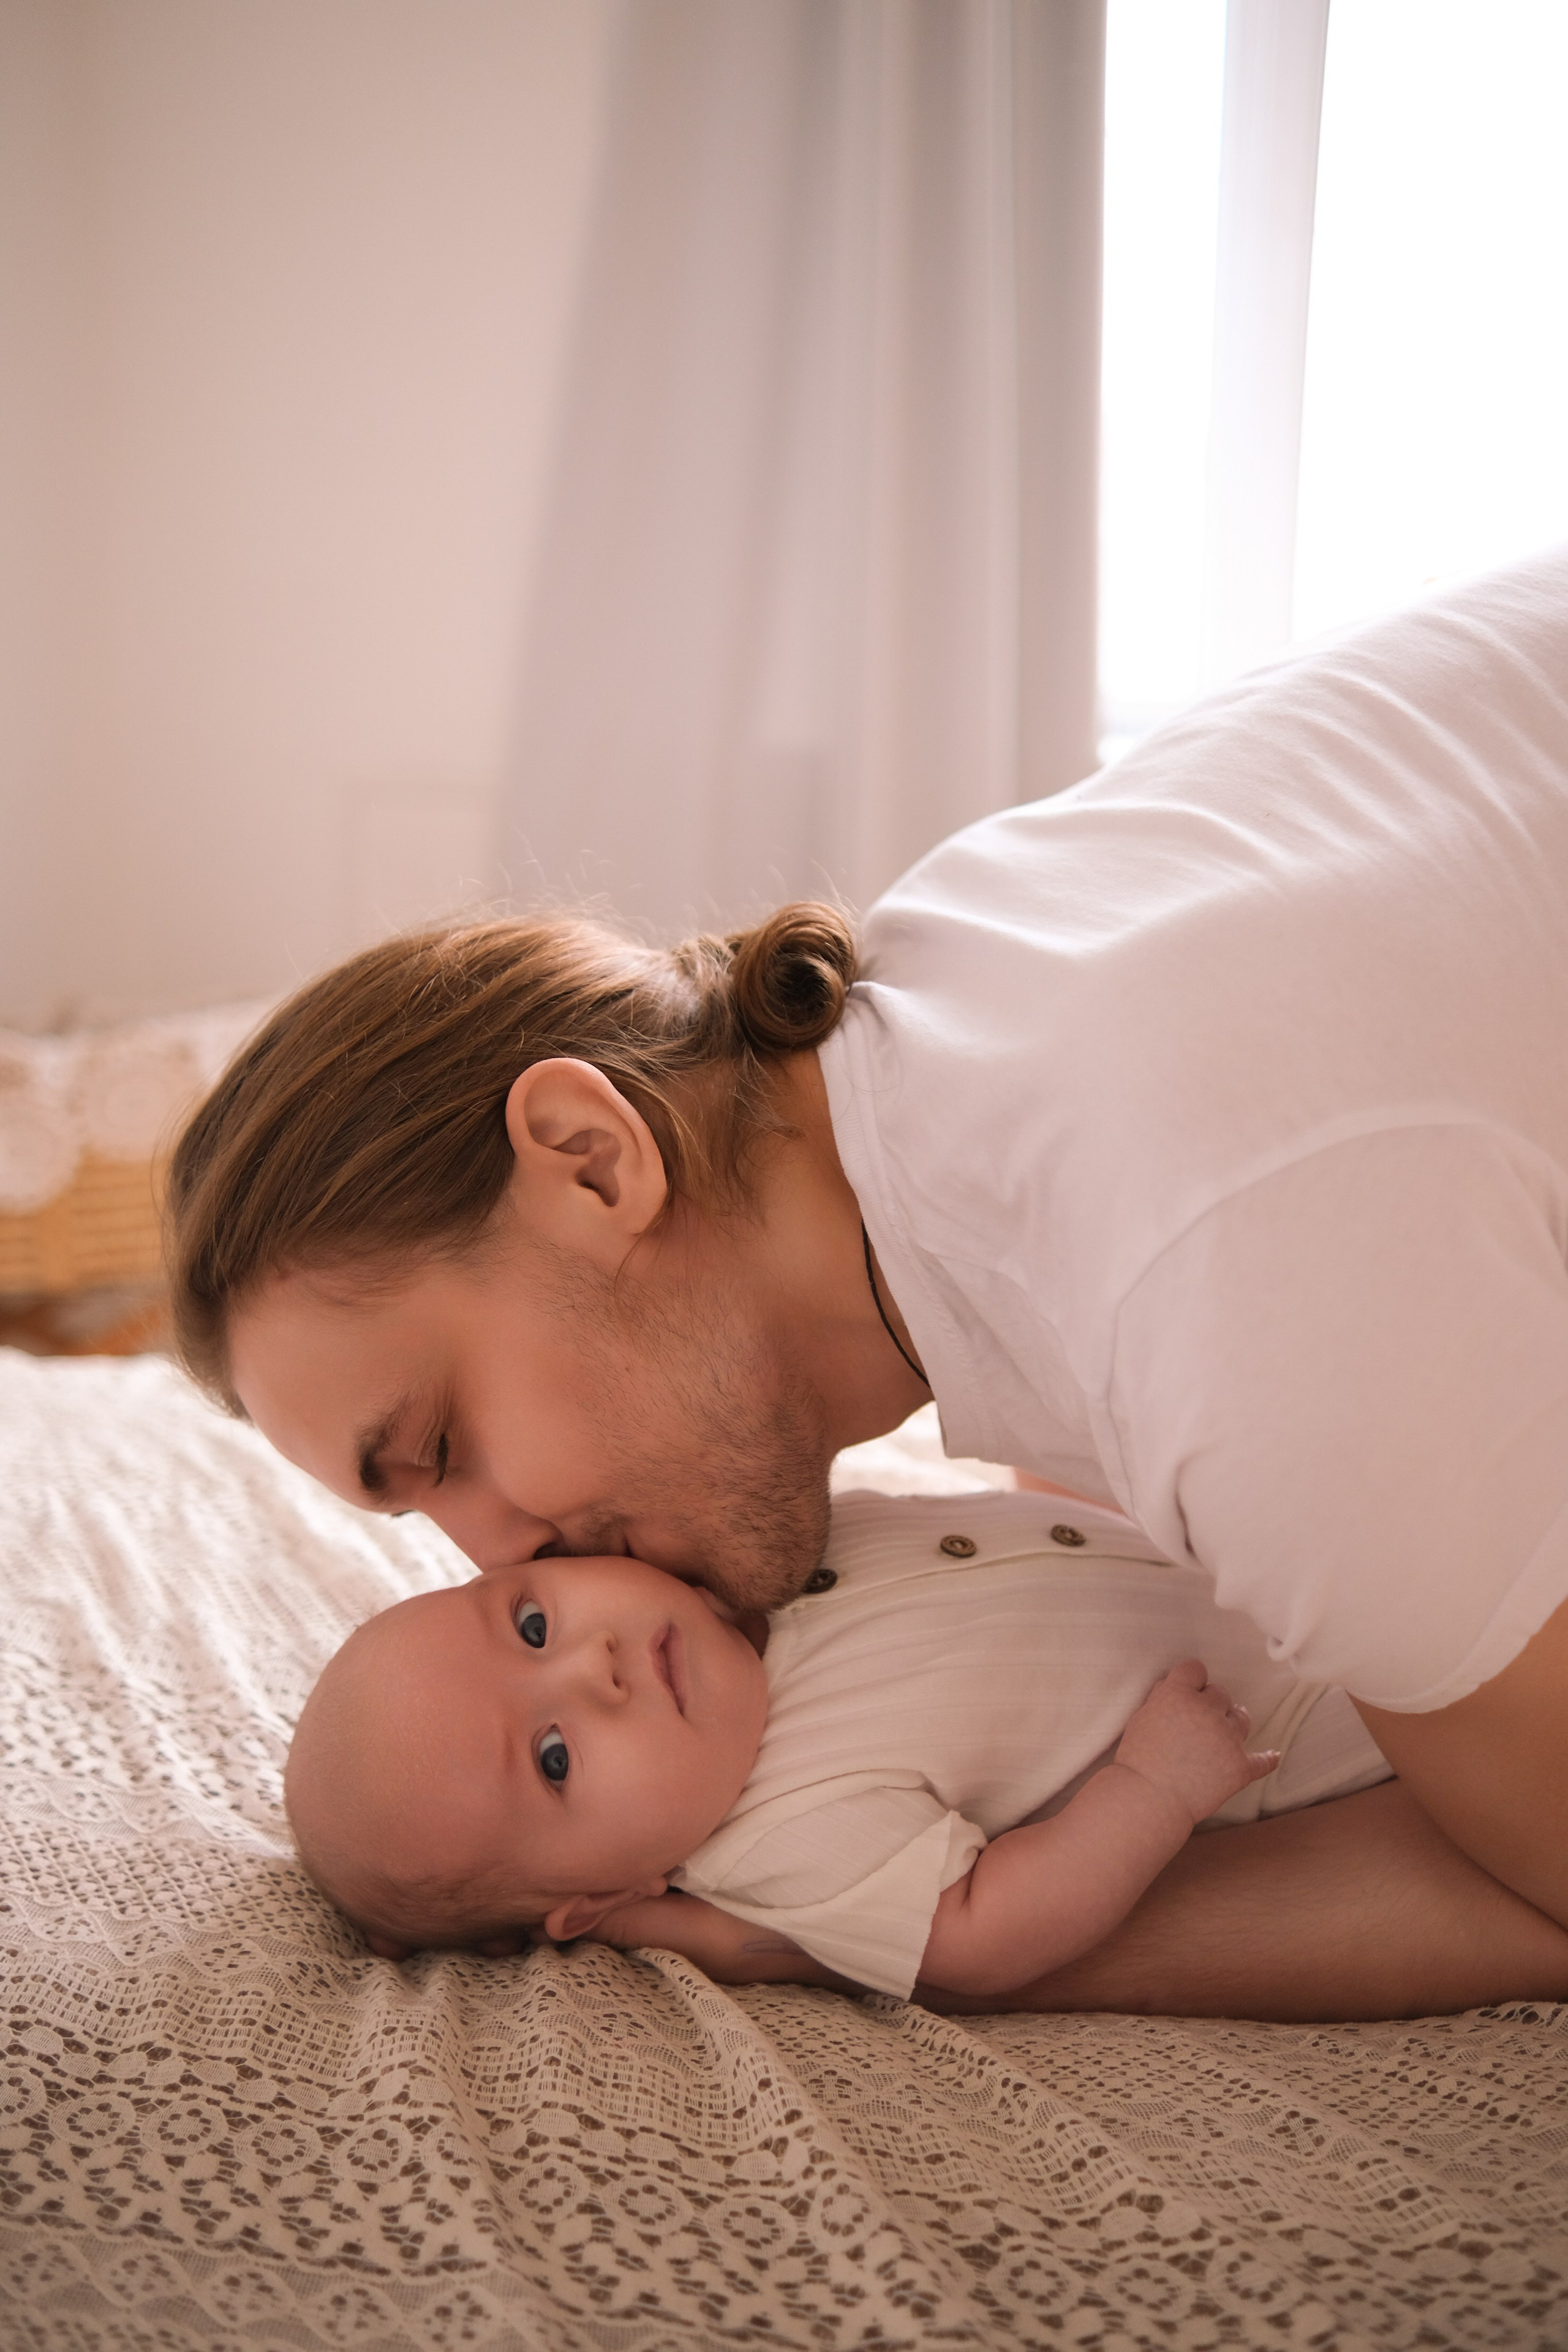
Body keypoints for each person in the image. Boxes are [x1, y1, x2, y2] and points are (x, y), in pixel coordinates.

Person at [168, 545, 1568, 2019]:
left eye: (440, 1449)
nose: (496, 1555)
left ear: (589, 1162)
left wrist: (846, 1946)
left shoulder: (1200, 1269)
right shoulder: (964, 1011)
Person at [286, 1489, 1398, 2001]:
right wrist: (1154, 1788)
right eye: (557, 1759)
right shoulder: (787, 1838)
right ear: (603, 1893)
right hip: (1316, 1717)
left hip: (1268, 1543)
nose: (595, 1666)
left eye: (534, 1625)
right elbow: (976, 1938)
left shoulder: (741, 1552)